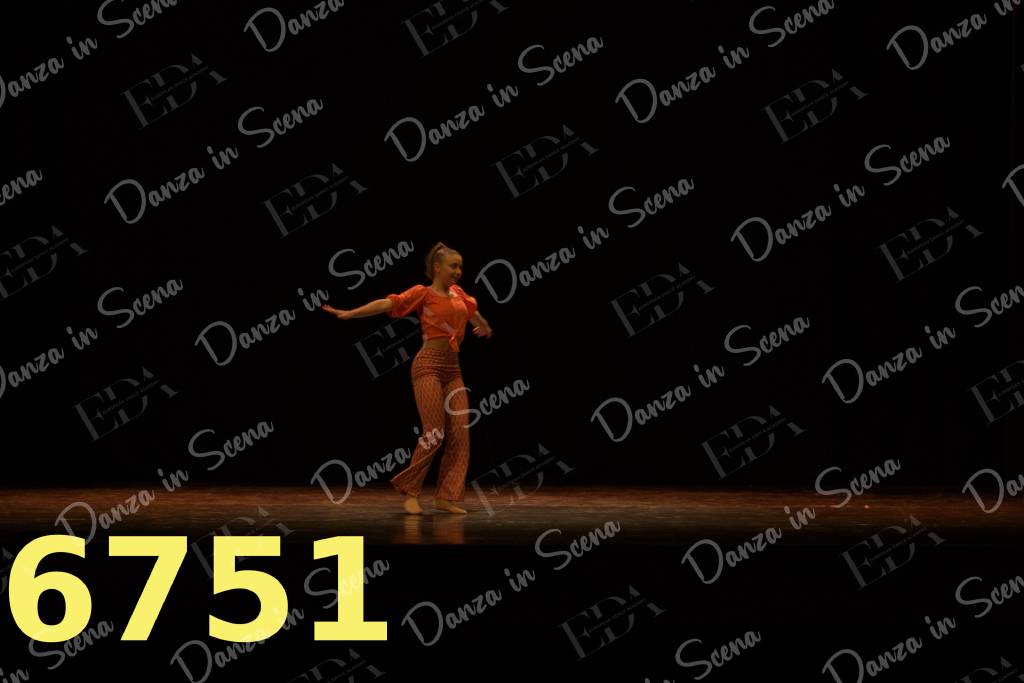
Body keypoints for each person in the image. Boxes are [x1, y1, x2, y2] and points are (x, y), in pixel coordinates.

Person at [321, 242, 494, 514]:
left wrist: (484, 326)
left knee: (460, 433)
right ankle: (411, 491)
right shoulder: (423, 293)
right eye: (453, 266)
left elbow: (472, 313)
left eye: (460, 266)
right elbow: (388, 303)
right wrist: (351, 313)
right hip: (428, 366)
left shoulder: (459, 293)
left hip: (453, 369)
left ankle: (446, 497)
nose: (458, 271)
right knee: (434, 432)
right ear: (437, 267)